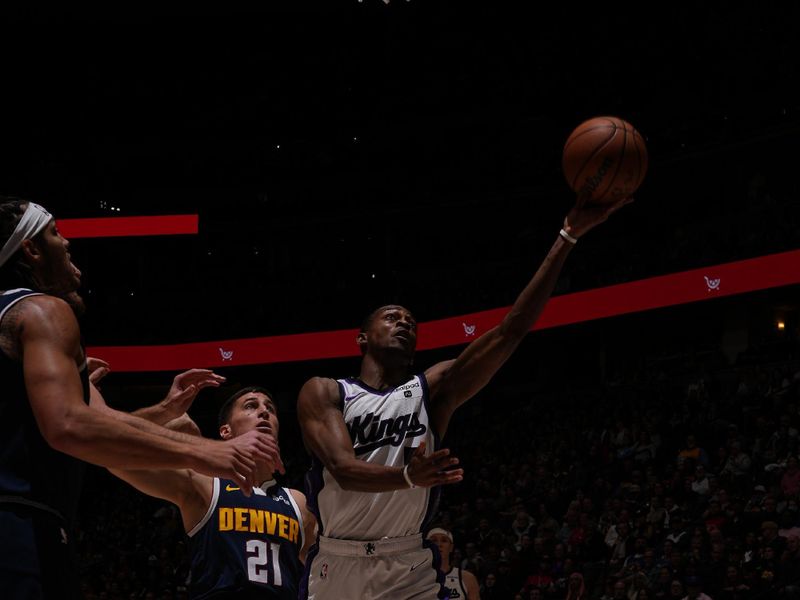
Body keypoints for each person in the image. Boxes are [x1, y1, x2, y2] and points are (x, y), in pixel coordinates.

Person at [297, 193, 630, 599]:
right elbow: (343, 469)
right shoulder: (326, 391)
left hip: (406, 565)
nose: (403, 322)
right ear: (362, 338)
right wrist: (407, 477)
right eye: (391, 317)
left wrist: (567, 236)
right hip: (338, 561)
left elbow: (510, 330)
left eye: (410, 321)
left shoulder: (431, 389)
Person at [0, 197, 280, 599]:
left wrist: (165, 410)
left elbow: (97, 424)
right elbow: (71, 425)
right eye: (55, 233)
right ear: (30, 248)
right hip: (17, 524)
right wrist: (210, 453)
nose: (66, 243)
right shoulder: (44, 310)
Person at [111, 387, 316, 599]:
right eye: (251, 406)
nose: (264, 412)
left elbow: (324, 573)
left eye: (270, 409)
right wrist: (166, 411)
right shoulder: (207, 486)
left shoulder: (298, 502)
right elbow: (112, 454)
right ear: (226, 432)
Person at [427, 527, 480, 599]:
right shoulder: (416, 578)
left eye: (444, 540)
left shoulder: (467, 578)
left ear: (451, 547)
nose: (439, 544)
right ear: (426, 546)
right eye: (434, 540)